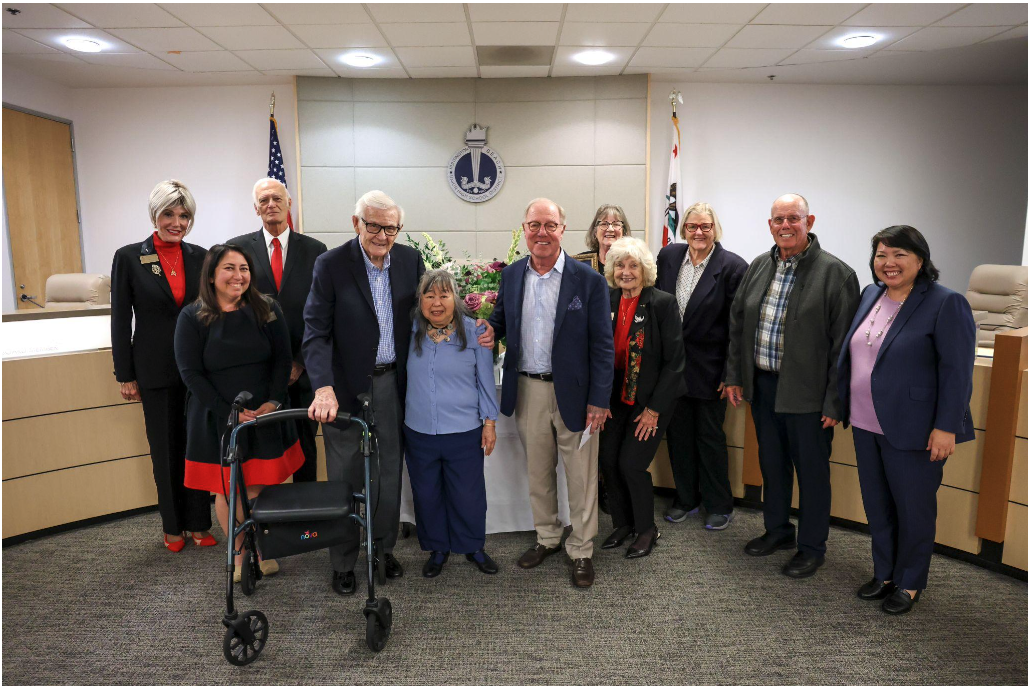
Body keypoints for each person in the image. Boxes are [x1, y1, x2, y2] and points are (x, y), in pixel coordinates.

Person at [303, 190, 494, 596]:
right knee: (346, 476)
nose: (382, 234)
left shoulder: (409, 260)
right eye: (373, 225)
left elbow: (433, 308)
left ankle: (382, 550)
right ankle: (343, 561)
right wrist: (323, 387)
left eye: (390, 227)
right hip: (345, 390)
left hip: (394, 385)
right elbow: (315, 332)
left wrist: (479, 325)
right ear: (357, 223)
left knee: (388, 473)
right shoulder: (331, 265)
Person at [837, 225, 976, 614]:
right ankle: (884, 573)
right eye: (882, 255)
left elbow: (957, 371)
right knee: (878, 505)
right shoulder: (870, 294)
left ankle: (911, 581)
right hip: (865, 422)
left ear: (920, 259)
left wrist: (946, 426)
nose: (889, 263)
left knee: (913, 510)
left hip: (915, 428)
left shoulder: (945, 303)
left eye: (899, 254)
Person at [724, 193, 860, 579]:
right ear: (770, 225)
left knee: (812, 473)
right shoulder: (758, 266)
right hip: (764, 388)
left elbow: (843, 349)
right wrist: (734, 375)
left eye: (793, 218)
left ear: (809, 221)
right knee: (773, 465)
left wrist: (835, 402)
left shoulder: (837, 275)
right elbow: (738, 325)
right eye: (778, 219)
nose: (785, 225)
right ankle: (778, 531)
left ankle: (812, 547)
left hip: (809, 396)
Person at [488, 197, 614, 588]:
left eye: (549, 225)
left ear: (563, 229)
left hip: (576, 394)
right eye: (534, 225)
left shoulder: (588, 279)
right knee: (537, 473)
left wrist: (599, 400)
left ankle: (581, 549)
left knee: (581, 477)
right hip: (528, 389)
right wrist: (487, 331)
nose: (541, 232)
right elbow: (499, 322)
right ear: (524, 229)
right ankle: (547, 537)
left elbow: (602, 345)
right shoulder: (511, 276)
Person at [175, 244, 303, 581]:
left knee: (258, 486)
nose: (238, 275)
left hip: (263, 413)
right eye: (229, 268)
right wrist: (226, 412)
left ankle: (261, 547)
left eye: (244, 268)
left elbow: (281, 359)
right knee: (227, 488)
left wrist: (274, 400)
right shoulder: (192, 316)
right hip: (217, 415)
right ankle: (239, 549)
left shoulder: (267, 308)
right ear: (212, 274)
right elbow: (190, 373)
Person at [110, 179, 214, 552]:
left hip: (197, 370)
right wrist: (125, 374)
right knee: (165, 449)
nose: (177, 222)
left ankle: (200, 522)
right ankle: (173, 525)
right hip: (153, 368)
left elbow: (211, 313)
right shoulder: (128, 257)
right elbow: (121, 320)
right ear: (155, 214)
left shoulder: (201, 256)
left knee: (197, 446)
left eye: (184, 215)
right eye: (169, 213)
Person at [229, 177, 327, 483]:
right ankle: (267, 523)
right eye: (263, 201)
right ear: (255, 209)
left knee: (305, 446)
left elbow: (322, 311)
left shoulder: (315, 250)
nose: (270, 205)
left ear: (289, 204)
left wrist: (297, 360)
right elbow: (233, 307)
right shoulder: (237, 249)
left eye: (276, 199)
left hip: (304, 369)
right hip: (260, 370)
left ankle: (307, 518)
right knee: (261, 451)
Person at [656, 202, 747, 531]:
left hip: (710, 370)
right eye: (693, 226)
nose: (699, 232)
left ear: (715, 229)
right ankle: (685, 498)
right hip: (671, 369)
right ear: (683, 229)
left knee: (709, 438)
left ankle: (719, 504)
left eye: (705, 226)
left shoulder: (733, 266)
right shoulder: (668, 257)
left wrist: (730, 374)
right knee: (677, 436)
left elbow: (738, 327)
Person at [404, 270, 500, 578]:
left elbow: (486, 382)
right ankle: (437, 549)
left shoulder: (475, 332)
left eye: (444, 295)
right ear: (420, 301)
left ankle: (472, 546)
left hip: (463, 430)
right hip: (419, 430)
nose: (436, 303)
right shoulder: (408, 332)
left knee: (467, 493)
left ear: (455, 299)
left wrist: (490, 423)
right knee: (427, 493)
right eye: (429, 295)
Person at [598, 237, 685, 558]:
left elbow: (675, 363)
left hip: (650, 401)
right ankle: (623, 524)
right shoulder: (606, 300)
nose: (626, 271)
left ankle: (647, 529)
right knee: (608, 461)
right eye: (619, 265)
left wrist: (653, 411)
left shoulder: (661, 303)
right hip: (613, 400)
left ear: (645, 269)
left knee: (631, 464)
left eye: (633, 265)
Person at [573, 204, 632, 274]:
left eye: (616, 224)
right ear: (595, 232)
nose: (610, 229)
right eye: (604, 224)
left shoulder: (633, 263)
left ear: (624, 232)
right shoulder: (580, 264)